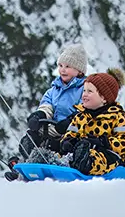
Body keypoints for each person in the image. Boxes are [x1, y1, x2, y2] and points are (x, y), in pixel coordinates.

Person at [7, 43, 88, 175]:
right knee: (30, 139)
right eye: (61, 66)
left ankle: (63, 165)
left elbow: (85, 110)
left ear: (79, 71)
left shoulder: (84, 89)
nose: (63, 70)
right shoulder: (54, 89)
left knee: (69, 146)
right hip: (52, 130)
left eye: (68, 66)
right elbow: (47, 105)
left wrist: (70, 121)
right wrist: (39, 115)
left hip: (71, 133)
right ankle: (28, 165)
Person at [58, 68, 125, 176]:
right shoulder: (80, 116)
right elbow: (70, 133)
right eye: (84, 91)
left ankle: (84, 163)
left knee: (99, 160)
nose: (84, 95)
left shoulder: (118, 117)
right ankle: (49, 159)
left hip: (108, 156)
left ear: (104, 98)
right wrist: (67, 141)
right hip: (80, 150)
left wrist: (105, 142)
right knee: (63, 154)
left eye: (89, 91)